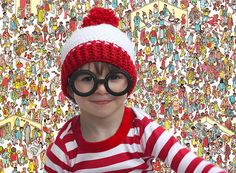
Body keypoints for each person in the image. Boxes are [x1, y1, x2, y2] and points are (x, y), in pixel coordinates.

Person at [44, 7, 226, 173]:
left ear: (129, 84)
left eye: (113, 77)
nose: (100, 89)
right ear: (70, 87)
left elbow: (190, 164)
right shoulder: (64, 147)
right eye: (87, 78)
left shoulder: (141, 128)